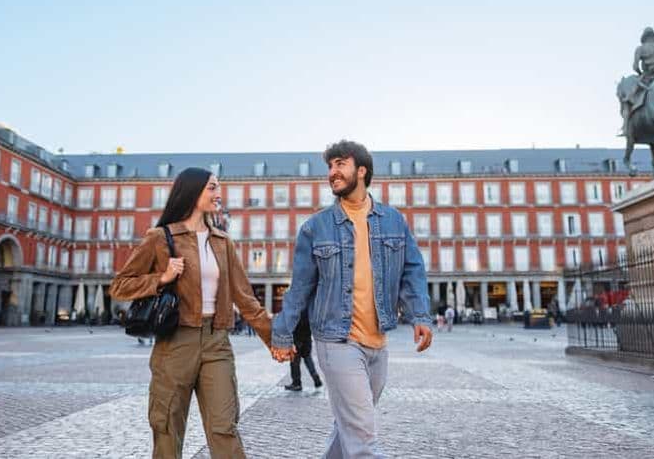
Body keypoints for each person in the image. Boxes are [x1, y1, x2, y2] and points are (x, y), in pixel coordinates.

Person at [270, 140, 433, 458]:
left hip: (378, 344)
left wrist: (421, 316)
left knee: (348, 428)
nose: (332, 172)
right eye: (330, 166)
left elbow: (412, 270)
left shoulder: (393, 221)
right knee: (363, 439)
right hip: (336, 340)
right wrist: (282, 333)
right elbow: (300, 287)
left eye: (340, 164)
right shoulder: (315, 228)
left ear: (362, 170)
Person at [110, 167, 272, 459]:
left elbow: (245, 297)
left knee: (224, 426)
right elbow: (120, 285)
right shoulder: (160, 237)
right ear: (192, 191)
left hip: (217, 342)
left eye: (218, 187)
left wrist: (275, 340)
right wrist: (160, 278)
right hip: (175, 343)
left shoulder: (223, 241)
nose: (218, 194)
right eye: (212, 187)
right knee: (167, 427)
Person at [285, 309, 323, 391]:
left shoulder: (295, 310)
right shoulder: (309, 310)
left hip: (297, 340)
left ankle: (296, 383)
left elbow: (291, 326)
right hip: (307, 339)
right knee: (308, 359)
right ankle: (315, 377)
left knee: (294, 362)